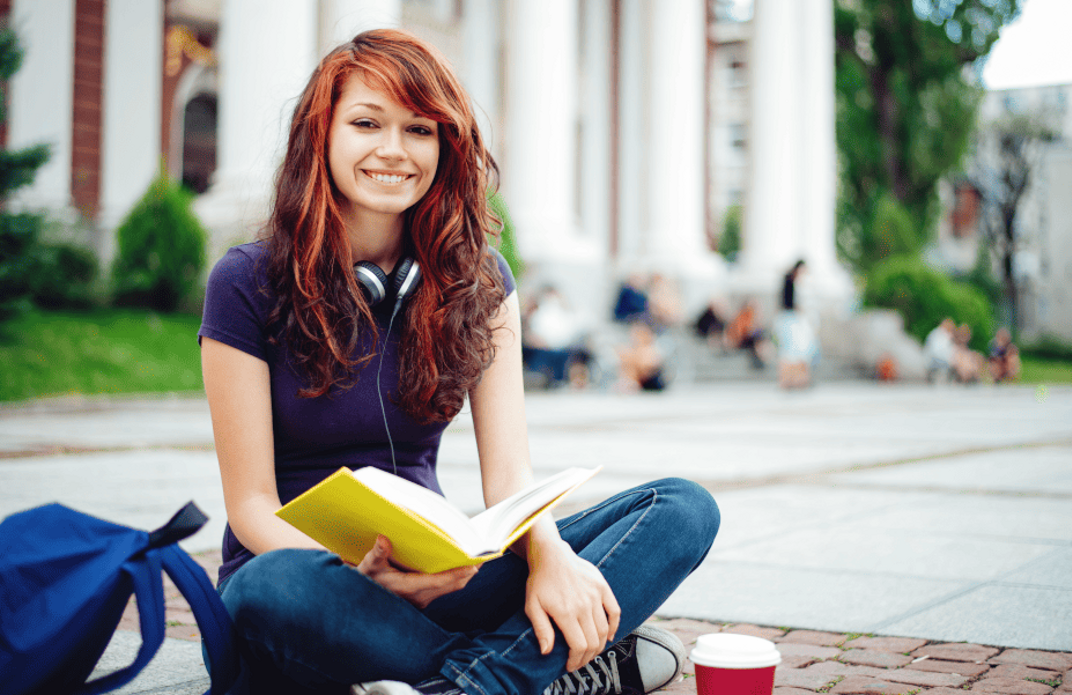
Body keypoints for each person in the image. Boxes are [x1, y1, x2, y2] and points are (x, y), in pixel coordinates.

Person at [198, 29, 719, 695]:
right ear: (320, 135)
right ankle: (541, 672)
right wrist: (364, 575)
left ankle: (464, 684)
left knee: (683, 507)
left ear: (445, 147)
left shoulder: (481, 282)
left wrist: (550, 556)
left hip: (443, 576)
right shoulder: (247, 281)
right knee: (271, 589)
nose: (393, 149)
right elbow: (250, 505)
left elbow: (509, 475)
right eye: (366, 123)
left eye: (419, 129)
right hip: (310, 580)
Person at [773, 260, 817, 389]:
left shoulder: (797, 284)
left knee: (798, 351)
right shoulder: (790, 282)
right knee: (789, 351)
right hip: (791, 319)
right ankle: (788, 379)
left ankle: (798, 379)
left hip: (795, 320)